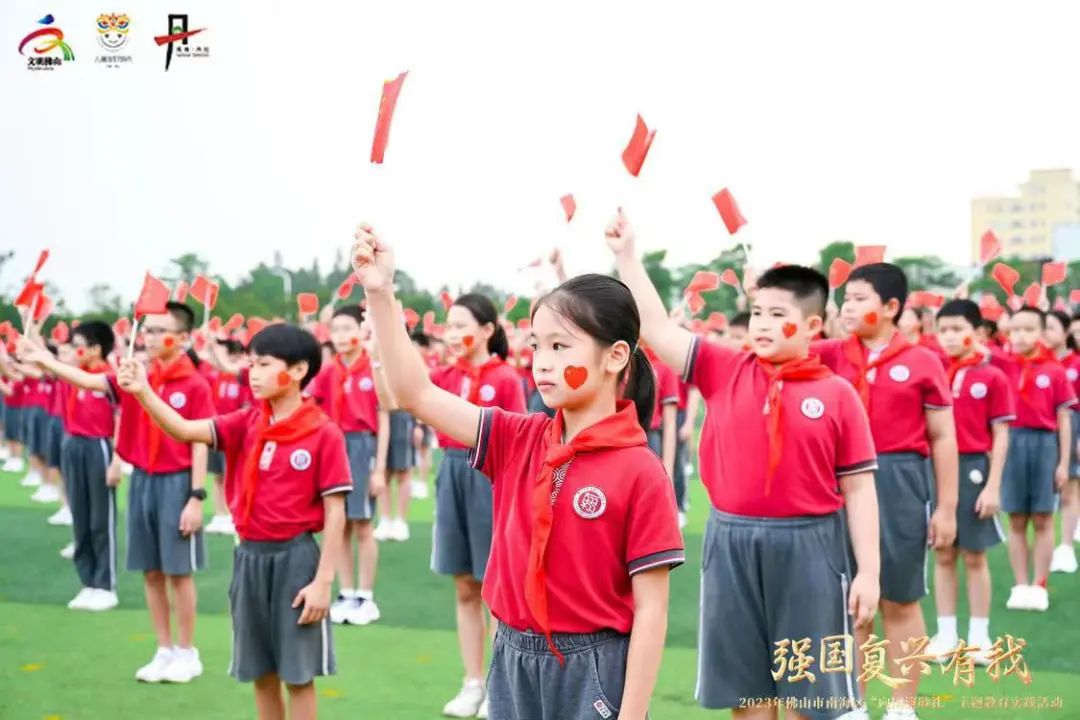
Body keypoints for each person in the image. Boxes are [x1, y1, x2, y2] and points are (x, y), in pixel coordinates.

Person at [353, 222, 682, 720]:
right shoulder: (517, 438)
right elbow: (415, 394)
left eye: (560, 347)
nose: (542, 363)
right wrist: (380, 293)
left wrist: (632, 714)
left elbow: (652, 609)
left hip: (593, 666)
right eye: (536, 346)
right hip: (511, 659)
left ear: (616, 356)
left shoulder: (641, 470)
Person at [607, 210, 879, 720]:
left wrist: (869, 572)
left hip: (811, 545)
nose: (763, 324)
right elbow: (657, 328)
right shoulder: (723, 368)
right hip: (730, 540)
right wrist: (627, 257)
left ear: (813, 325)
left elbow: (860, 489)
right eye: (757, 313)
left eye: (778, 314)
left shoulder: (837, 394)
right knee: (747, 692)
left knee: (809, 695)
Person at [116, 323, 349, 720]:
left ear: (297, 370)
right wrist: (142, 391)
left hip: (296, 560)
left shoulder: (323, 433)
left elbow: (336, 510)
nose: (252, 373)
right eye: (250, 363)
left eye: (264, 364)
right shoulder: (246, 422)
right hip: (249, 557)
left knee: (298, 675)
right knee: (260, 672)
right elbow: (184, 429)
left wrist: (323, 582)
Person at [19, 302, 213, 682]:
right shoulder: (136, 376)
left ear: (183, 338)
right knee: (151, 572)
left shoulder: (194, 385)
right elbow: (88, 381)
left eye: (160, 331)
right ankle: (163, 649)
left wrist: (196, 496)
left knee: (178, 573)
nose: (150, 337)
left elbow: (200, 442)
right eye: (149, 330)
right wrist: (43, 358)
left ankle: (187, 652)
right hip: (143, 480)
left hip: (177, 482)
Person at [812, 262, 958, 720]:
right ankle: (852, 704)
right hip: (838, 482)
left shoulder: (922, 361)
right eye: (845, 299)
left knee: (899, 597)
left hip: (899, 481)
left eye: (859, 299)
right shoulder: (829, 354)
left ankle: (901, 706)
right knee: (847, 601)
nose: (847, 307)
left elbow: (943, 437)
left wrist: (947, 507)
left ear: (891, 306)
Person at [925, 300, 1013, 664]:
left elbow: (1001, 434)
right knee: (943, 553)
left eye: (957, 329)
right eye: (943, 330)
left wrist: (993, 486)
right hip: (934, 469)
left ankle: (979, 638)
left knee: (975, 557)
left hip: (974, 469)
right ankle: (946, 635)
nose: (949, 337)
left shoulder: (992, 377)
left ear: (978, 333)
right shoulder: (932, 372)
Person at [988, 306, 1076, 610]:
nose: (1021, 336)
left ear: (1041, 333)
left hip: (1044, 444)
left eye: (1028, 329)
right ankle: (1020, 584)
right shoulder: (1002, 366)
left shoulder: (1054, 370)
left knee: (1042, 518)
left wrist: (1063, 463)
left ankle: (1039, 584)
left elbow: (1064, 419)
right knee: (1016, 518)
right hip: (1012, 442)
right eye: (1015, 330)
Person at [311, 305, 388, 627]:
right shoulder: (328, 371)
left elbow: (384, 417)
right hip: (333, 446)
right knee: (338, 523)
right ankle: (346, 592)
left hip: (362, 446)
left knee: (363, 524)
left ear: (362, 330)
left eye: (347, 328)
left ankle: (365, 596)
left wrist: (379, 468)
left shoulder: (372, 367)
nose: (341, 336)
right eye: (335, 329)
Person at [1046, 310, 1080, 574]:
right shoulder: (1037, 363)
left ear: (1065, 331)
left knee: (1069, 487)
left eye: (1051, 327)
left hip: (1073, 424)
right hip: (1044, 430)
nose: (1045, 333)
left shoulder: (1075, 363)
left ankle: (1066, 547)